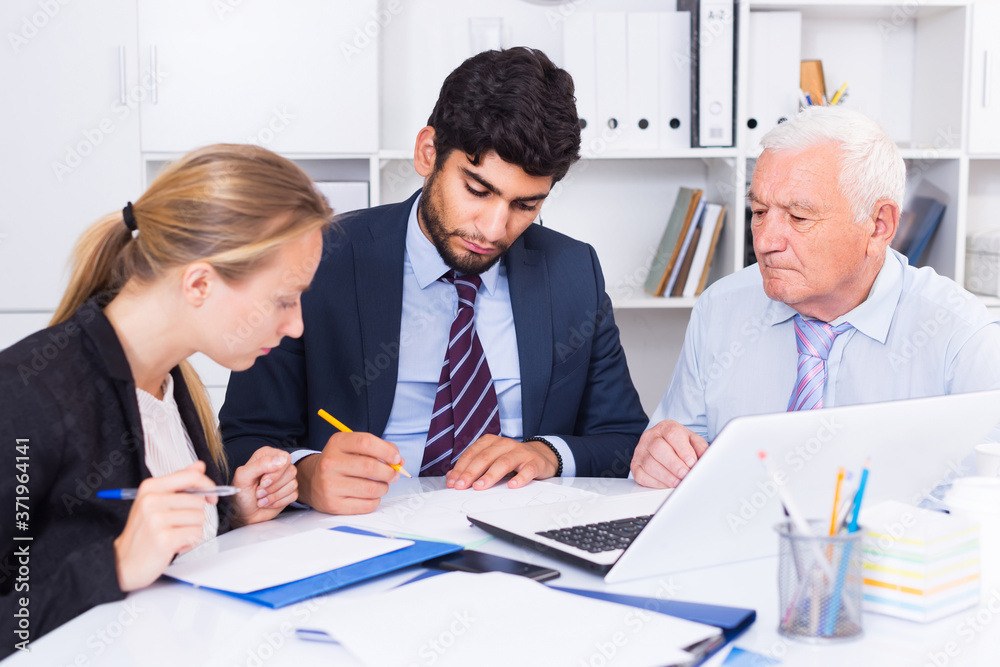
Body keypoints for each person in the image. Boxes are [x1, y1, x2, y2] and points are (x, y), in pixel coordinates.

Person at [220, 47, 647, 515]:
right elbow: (243, 438)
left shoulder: (573, 270)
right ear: (428, 153)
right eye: (477, 190)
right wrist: (306, 476)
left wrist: (547, 454)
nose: (493, 229)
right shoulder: (321, 258)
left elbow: (624, 439)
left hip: (522, 528)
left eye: (525, 205)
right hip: (360, 532)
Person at [0, 144, 331, 651]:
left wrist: (228, 511)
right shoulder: (26, 397)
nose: (296, 326)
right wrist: (112, 566)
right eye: (285, 299)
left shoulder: (172, 380)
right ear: (200, 283)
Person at [631, 106, 1000, 489]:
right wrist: (659, 459)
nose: (765, 242)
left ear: (879, 226)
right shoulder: (720, 309)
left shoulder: (963, 340)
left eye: (799, 217)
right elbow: (673, 464)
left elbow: (986, 509)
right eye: (759, 211)